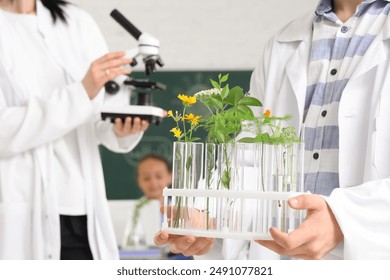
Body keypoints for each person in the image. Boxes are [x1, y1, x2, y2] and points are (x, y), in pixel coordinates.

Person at [155, 0, 390, 260]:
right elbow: (248, 156)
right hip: (279, 261)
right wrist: (208, 212)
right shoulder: (283, 43)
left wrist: (344, 217)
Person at [0, 0, 149, 259]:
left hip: (82, 211)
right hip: (21, 211)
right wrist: (81, 93)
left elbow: (97, 118)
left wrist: (120, 130)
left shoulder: (77, 22)